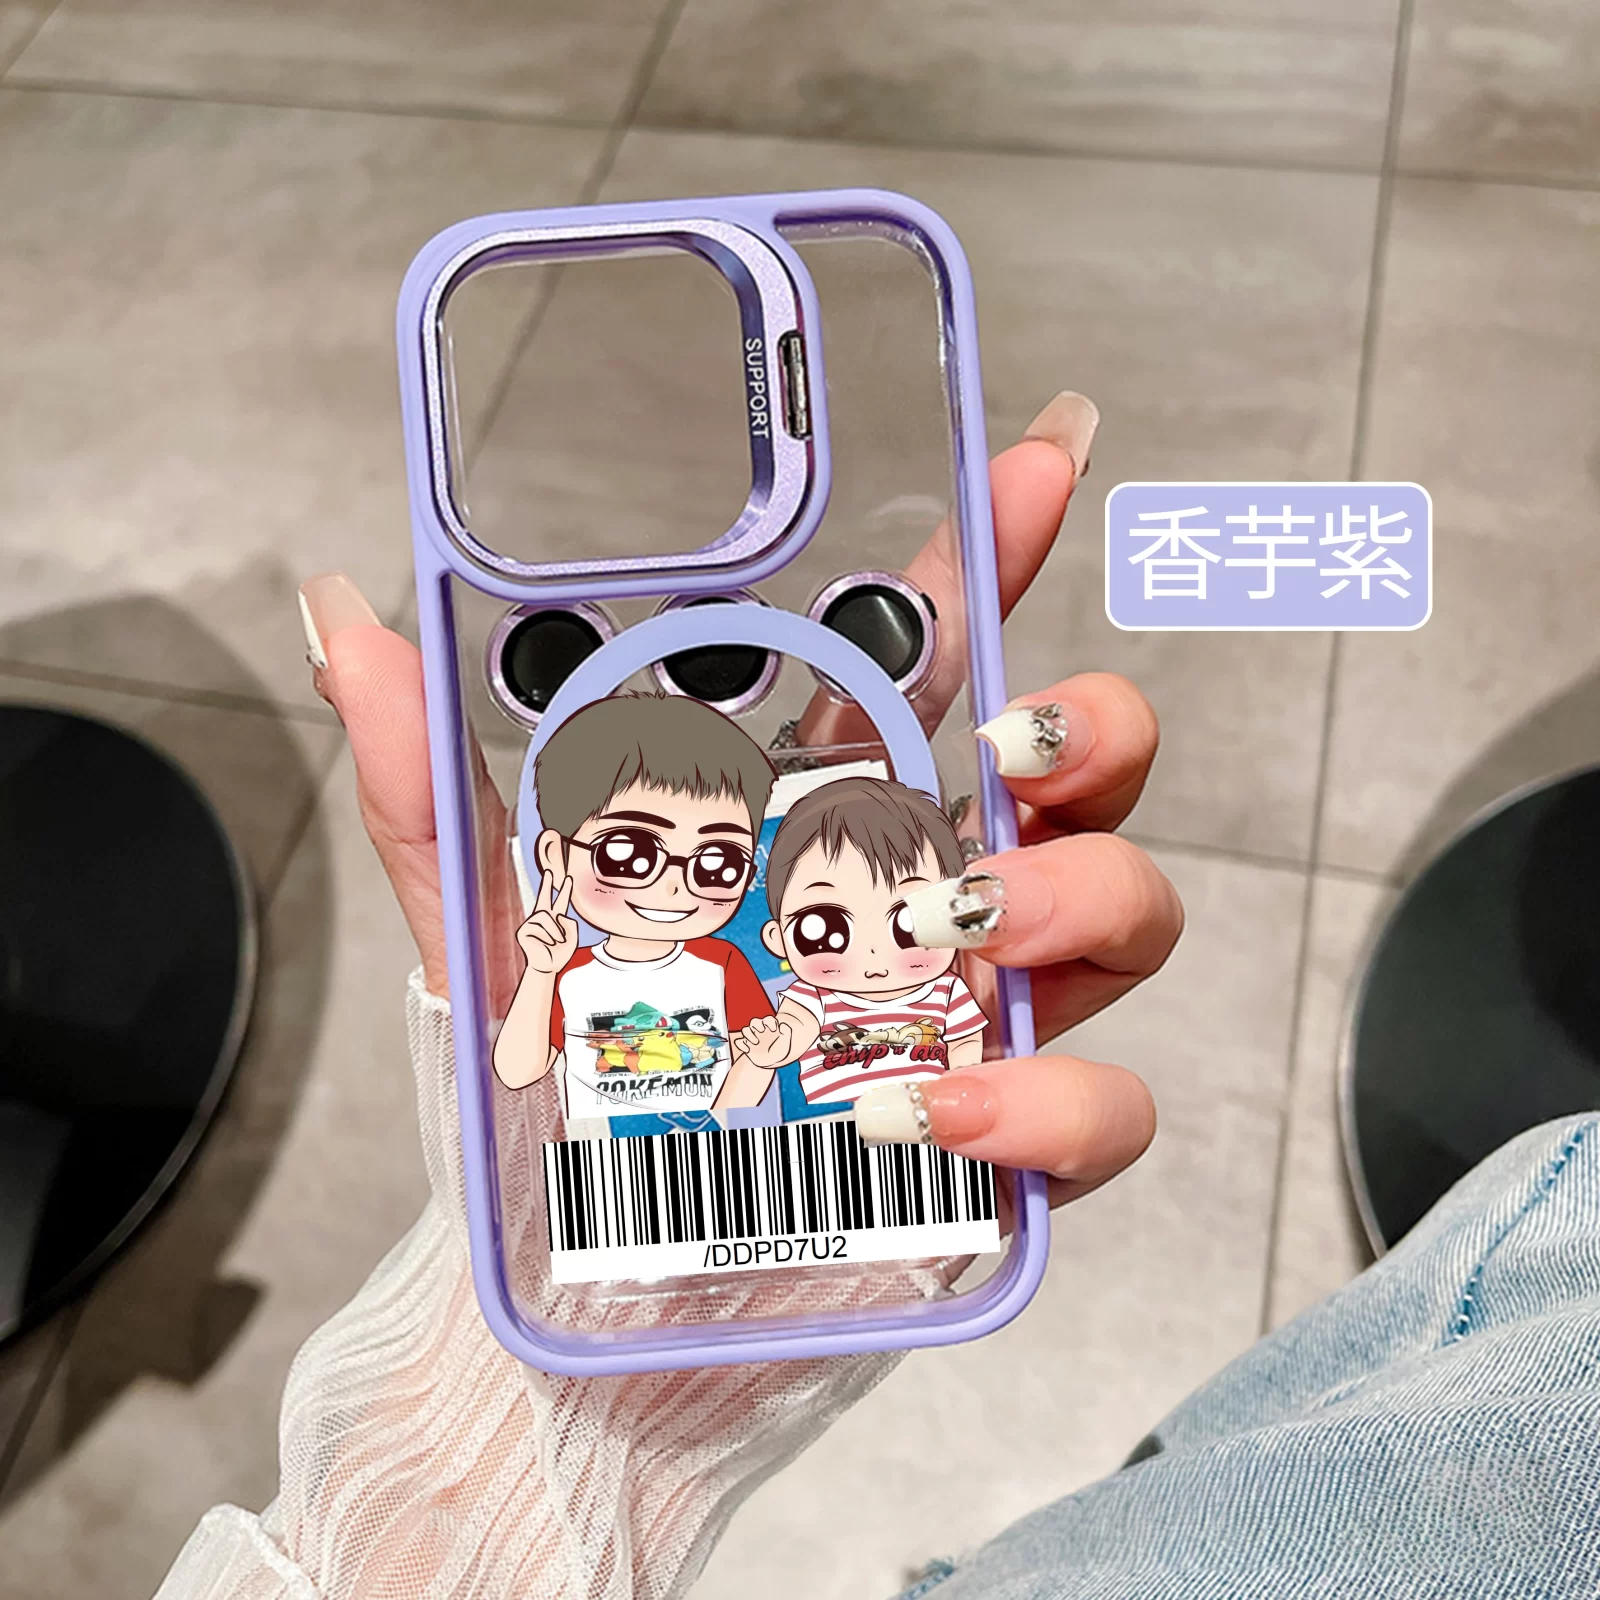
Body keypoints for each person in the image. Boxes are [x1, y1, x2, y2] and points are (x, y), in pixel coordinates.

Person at [158, 392, 1597, 1599]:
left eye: (715, 861)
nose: (680, 884)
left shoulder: (739, 972)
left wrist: (534, 1434)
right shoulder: (623, 969)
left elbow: (738, 1054)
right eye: (638, 856)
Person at [490, 691, 777, 1127]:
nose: (674, 884)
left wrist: (753, 1075)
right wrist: (541, 971)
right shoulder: (568, 974)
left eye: (718, 863)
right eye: (629, 854)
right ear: (556, 855)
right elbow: (517, 1071)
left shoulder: (722, 964)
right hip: (601, 1163)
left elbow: (750, 1071)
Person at [724, 776, 988, 1112]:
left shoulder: (947, 991)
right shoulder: (813, 996)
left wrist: (964, 1086)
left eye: (909, 924)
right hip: (833, 1124)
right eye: (825, 929)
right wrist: (774, 1047)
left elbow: (965, 1043)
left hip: (922, 1119)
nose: (873, 955)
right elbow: (795, 1030)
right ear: (779, 938)